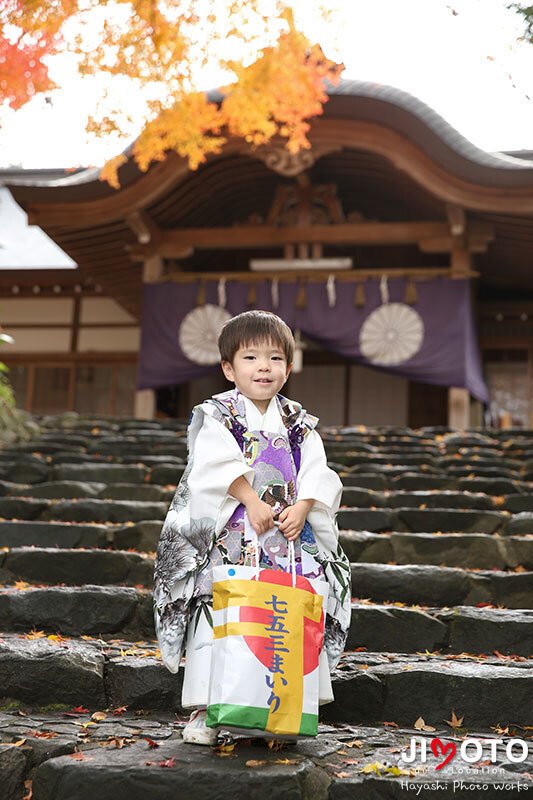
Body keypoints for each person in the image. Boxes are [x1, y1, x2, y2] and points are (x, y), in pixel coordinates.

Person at [153, 310, 352, 745]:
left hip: (287, 539)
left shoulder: (300, 423)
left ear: (289, 367)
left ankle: (280, 710)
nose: (264, 366)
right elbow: (209, 466)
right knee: (220, 613)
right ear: (229, 368)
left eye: (276, 358)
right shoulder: (218, 414)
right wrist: (249, 498)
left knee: (280, 614)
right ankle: (209, 712)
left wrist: (303, 506)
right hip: (231, 536)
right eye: (251, 357)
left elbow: (318, 471)